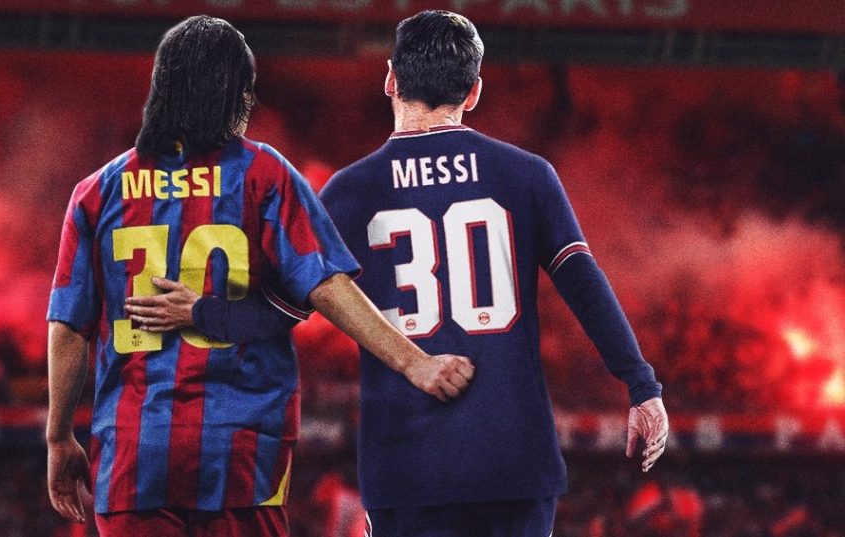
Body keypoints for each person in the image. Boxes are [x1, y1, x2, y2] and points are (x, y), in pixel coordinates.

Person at [137, 10, 670, 537]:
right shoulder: (527, 175)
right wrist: (641, 386)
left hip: (408, 467)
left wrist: (200, 311)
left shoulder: (350, 191)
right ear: (473, 91)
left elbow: (277, 310)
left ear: (391, 79)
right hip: (515, 462)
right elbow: (584, 285)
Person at [44, 15, 474, 537]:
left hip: (134, 453)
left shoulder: (98, 191)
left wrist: (58, 436)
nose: (250, 101)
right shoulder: (263, 173)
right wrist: (415, 363)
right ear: (229, 92)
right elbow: (325, 283)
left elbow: (69, 327)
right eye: (245, 88)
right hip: (242, 449)